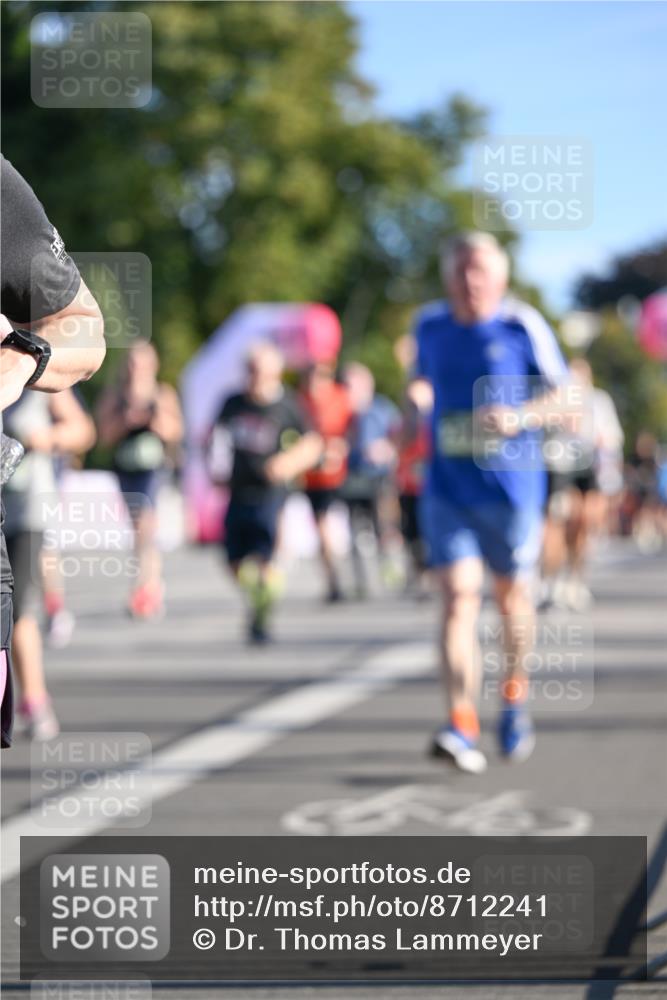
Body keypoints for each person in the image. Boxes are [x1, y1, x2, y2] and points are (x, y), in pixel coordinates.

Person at [412, 231, 569, 773]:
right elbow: (423, 381)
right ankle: (460, 722)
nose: (469, 281)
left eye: (479, 270)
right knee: (457, 597)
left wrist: (520, 417)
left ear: (500, 277)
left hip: (511, 488)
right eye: (459, 270)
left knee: (510, 600)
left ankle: (513, 694)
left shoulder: (521, 325)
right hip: (447, 486)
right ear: (445, 276)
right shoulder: (427, 325)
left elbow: (566, 396)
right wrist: (418, 398)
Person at [1, 153, 105, 749]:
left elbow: (82, 337)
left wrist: (21, 360)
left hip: (28, 495)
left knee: (29, 611)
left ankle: (36, 697)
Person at [211, 342, 322, 643]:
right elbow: (215, 438)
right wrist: (215, 469)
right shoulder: (233, 402)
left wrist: (288, 463)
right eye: (250, 370)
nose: (254, 377)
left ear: (275, 372)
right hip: (238, 489)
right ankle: (260, 596)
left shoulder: (288, 405)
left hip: (271, 493)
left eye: (260, 371)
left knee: (263, 557)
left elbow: (312, 443)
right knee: (233, 560)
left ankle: (261, 615)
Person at [2, 389, 96, 740]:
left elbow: (83, 430)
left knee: (15, 607)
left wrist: (46, 438)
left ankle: (35, 699)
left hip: (26, 513)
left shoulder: (33, 375)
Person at [96, 340, 183, 619]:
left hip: (153, 468)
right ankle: (151, 584)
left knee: (145, 525)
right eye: (133, 363)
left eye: (143, 363)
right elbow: (104, 436)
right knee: (138, 529)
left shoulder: (162, 394)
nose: (137, 369)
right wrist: (126, 420)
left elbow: (175, 431)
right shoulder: (116, 395)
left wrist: (153, 419)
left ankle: (144, 588)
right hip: (126, 467)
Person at [540, 358, 624, 611]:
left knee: (583, 523)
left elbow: (613, 436)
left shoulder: (599, 401)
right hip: (559, 466)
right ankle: (550, 581)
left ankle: (575, 580)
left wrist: (602, 439)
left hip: (589, 468)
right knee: (557, 522)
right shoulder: (553, 398)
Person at [341, 362, 402, 597]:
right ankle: (363, 581)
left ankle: (391, 572)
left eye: (352, 384)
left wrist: (386, 449)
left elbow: (400, 437)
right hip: (352, 477)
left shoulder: (383, 409)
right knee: (356, 530)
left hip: (379, 478)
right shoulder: (343, 412)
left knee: (385, 527)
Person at [298, 362, 352, 602]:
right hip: (313, 475)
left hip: (341, 471)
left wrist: (341, 447)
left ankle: (346, 574)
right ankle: (332, 576)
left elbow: (352, 428)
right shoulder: (300, 402)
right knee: (321, 525)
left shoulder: (340, 397)